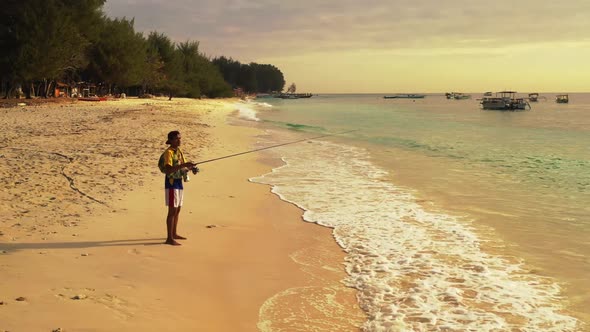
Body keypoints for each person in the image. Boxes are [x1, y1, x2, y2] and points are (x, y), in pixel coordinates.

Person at [161, 130, 197, 245]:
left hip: (179, 182)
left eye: (180, 138)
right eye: (177, 138)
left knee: (178, 210)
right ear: (171, 140)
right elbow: (168, 169)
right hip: (171, 183)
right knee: (172, 210)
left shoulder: (179, 151)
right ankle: (169, 238)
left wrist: (190, 168)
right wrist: (184, 165)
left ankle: (174, 233)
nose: (179, 140)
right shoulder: (169, 153)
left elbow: (182, 167)